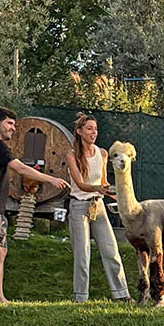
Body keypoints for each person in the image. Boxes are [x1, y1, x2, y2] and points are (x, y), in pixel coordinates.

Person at [0, 107, 69, 303]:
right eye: (9, 123)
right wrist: (50, 179)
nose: (13, 128)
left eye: (14, 124)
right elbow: (21, 168)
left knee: (0, 251)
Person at [65, 112, 132, 303]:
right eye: (89, 129)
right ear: (79, 132)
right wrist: (98, 188)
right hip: (79, 206)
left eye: (95, 129)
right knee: (82, 254)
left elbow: (103, 182)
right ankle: (81, 298)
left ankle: (122, 294)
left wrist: (119, 195)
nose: (94, 132)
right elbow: (79, 184)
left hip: (98, 206)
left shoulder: (102, 153)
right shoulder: (71, 156)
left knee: (111, 250)